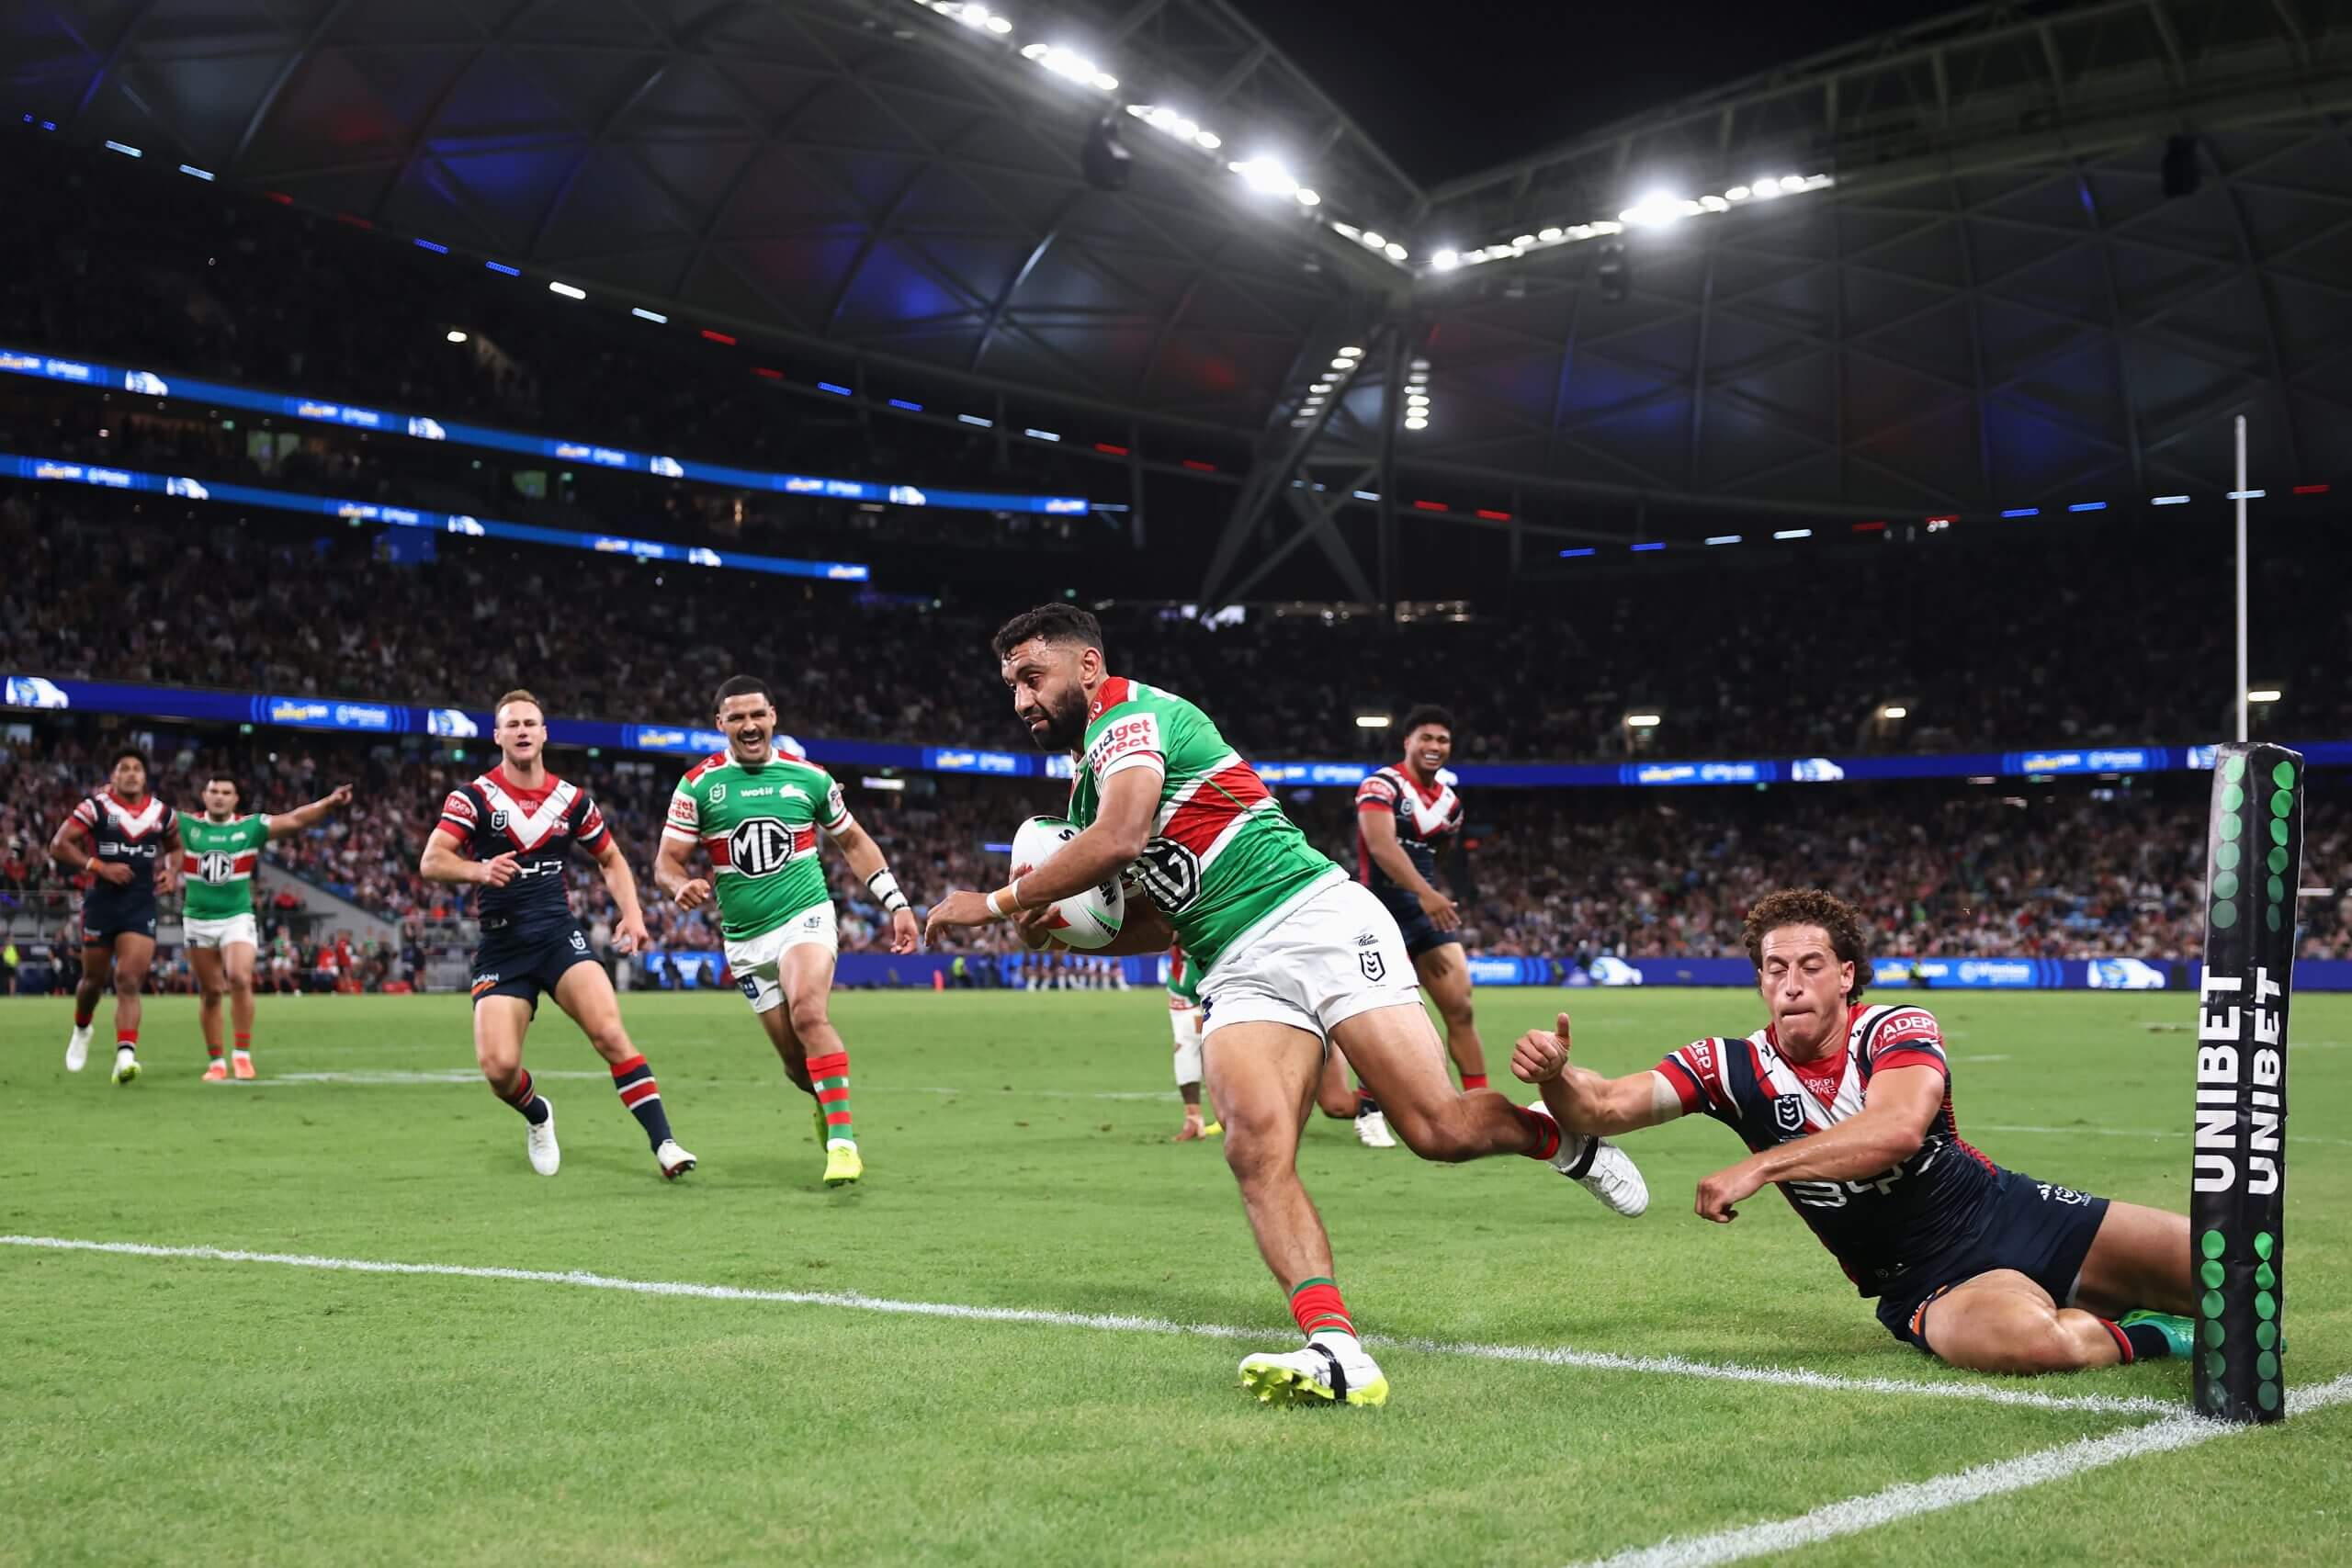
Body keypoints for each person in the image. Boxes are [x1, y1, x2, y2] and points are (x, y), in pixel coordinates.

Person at [926, 605, 1648, 1408]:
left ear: (1087, 667)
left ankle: (1561, 1140)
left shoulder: (1133, 718)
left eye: (1034, 677)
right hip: (1233, 965)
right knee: (1253, 1148)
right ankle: (1337, 1348)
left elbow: (1124, 837)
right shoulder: (1086, 775)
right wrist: (1063, 935)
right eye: (1011, 686)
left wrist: (992, 901)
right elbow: (1167, 908)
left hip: (1316, 919)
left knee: (1436, 1130)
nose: (1022, 699)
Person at [1509, 886, 2197, 1374]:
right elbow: (1598, 1107)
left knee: (2232, 1274)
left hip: (2011, 1212)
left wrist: (1763, 1166)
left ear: (1846, 976)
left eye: (1811, 966)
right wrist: (1554, 1075)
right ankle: (2147, 1334)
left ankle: (2110, 1290)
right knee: (2031, 1344)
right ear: (1760, 981)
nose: (1792, 984)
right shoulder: (1727, 1064)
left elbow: (1896, 1129)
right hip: (1926, 1279)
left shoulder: (1896, 1028)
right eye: (1776, 969)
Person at [653, 674, 921, 1187]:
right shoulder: (699, 786)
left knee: (808, 1010)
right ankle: (826, 1105)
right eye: (737, 717)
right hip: (744, 939)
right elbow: (666, 862)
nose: (749, 725)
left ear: (773, 716)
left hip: (805, 915)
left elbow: (856, 843)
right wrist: (677, 885)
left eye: (758, 715)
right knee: (798, 1067)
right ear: (720, 724)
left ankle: (843, 1144)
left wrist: (897, 902)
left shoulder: (810, 779)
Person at [420, 690, 694, 1181]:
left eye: (531, 722)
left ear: (544, 733)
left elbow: (610, 858)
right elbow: (432, 860)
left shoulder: (572, 800)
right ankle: (538, 1114)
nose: (523, 731)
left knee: (610, 1033)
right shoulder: (473, 798)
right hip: (502, 947)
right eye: (513, 724)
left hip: (557, 938)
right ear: (498, 735)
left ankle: (665, 1144)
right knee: (500, 1071)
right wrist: (479, 871)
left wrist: (632, 915)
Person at [177, 773, 354, 1080]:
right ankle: (216, 1062)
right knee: (211, 992)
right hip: (197, 919)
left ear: (235, 799)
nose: (219, 796)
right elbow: (148, 818)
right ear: (204, 796)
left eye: (226, 791)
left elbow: (296, 820)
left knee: (239, 978)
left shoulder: (250, 827)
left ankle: (242, 1055)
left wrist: (329, 803)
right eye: (213, 791)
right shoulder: (186, 824)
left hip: (237, 916)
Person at [1356, 705, 1487, 1106]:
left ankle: (1479, 1105)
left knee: (1460, 1008)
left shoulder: (1450, 804)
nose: (1434, 746)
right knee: (1378, 1018)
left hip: (1424, 915)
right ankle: (1369, 1108)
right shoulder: (1381, 786)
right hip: (1377, 914)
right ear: (1407, 742)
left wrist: (1428, 896)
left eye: (1442, 740)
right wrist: (1426, 893)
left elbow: (1439, 853)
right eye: (1426, 738)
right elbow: (1381, 846)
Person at [51, 748, 180, 1084]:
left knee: (128, 979)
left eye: (137, 768)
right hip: (102, 902)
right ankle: (82, 1028)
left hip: (140, 902)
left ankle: (125, 1057)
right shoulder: (95, 807)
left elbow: (176, 847)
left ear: (145, 776)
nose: (132, 773)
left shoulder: (161, 813)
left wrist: (172, 870)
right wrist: (99, 866)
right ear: (114, 776)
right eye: (125, 768)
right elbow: (59, 844)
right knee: (92, 982)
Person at [1164, 942, 1222, 1143]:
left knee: (1192, 1049)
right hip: (1186, 995)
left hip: (1195, 995)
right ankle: (1199, 1118)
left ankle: (1221, 1117)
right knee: (1196, 1050)